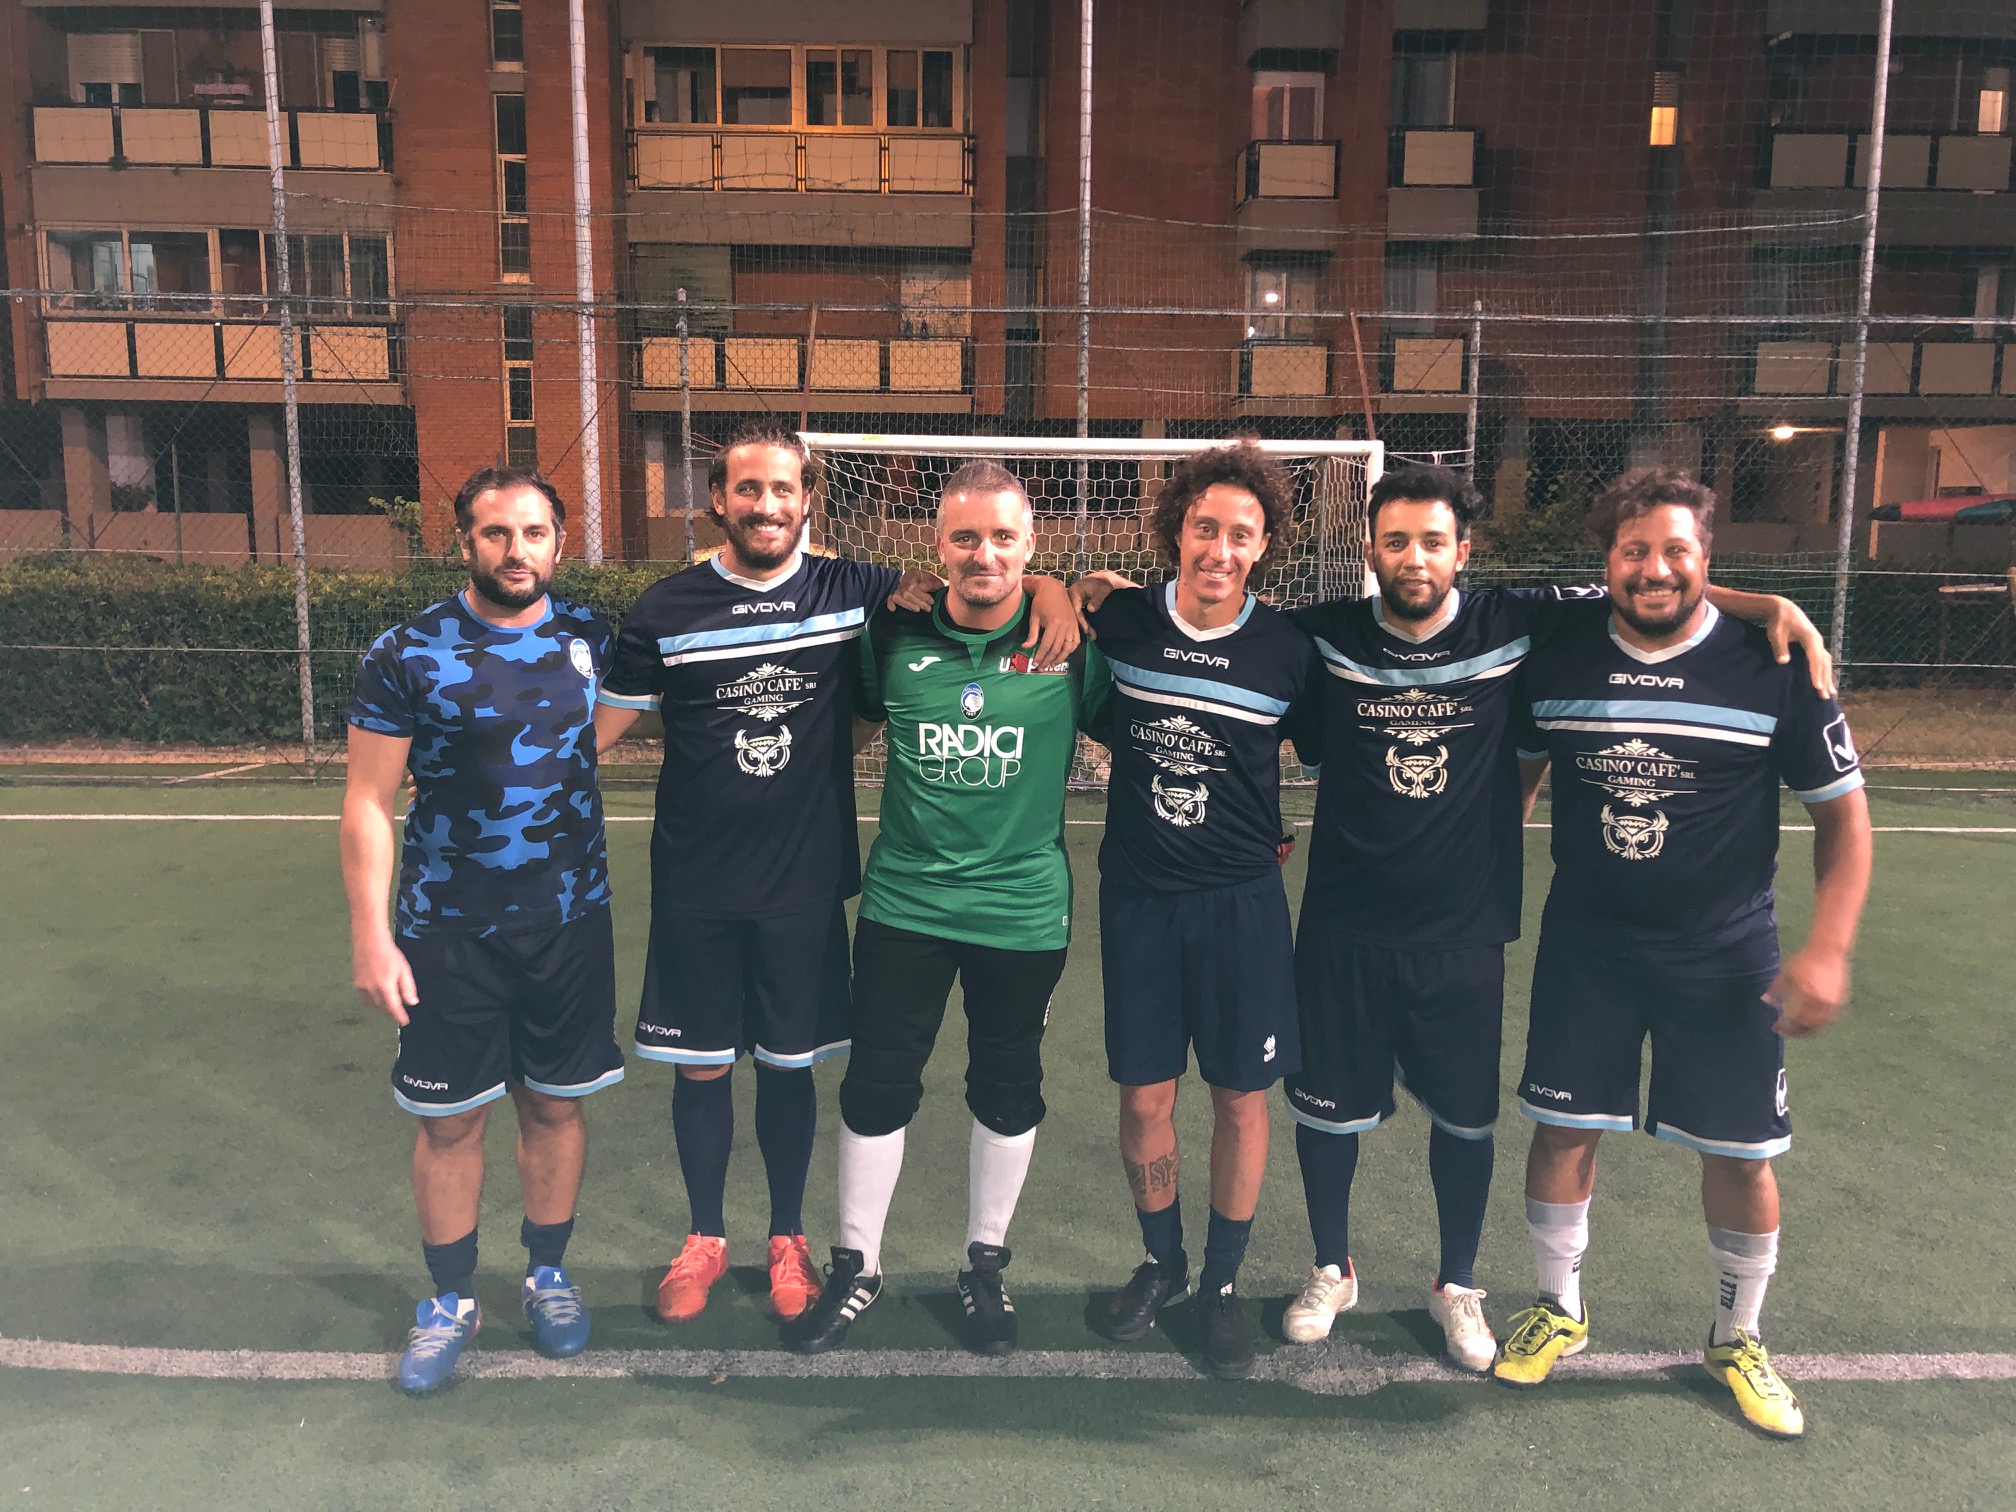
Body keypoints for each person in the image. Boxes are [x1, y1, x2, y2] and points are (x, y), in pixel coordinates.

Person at [1280, 463, 1836, 1373]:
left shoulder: (1516, 620)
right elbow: (1226, 631)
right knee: (1330, 1116)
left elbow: (1650, 583)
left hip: (1467, 928)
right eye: (1395, 541)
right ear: (1370, 551)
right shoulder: (1322, 633)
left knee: (1465, 1120)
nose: (1414, 558)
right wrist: (1087, 593)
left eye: (1433, 541)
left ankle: (1459, 1285)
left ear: (1464, 551)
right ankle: (1331, 1269)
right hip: (1343, 920)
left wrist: (1763, 602)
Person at [595, 421, 1080, 1327]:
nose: (766, 505)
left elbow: (994, 574)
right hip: (698, 882)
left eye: (783, 488)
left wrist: (1056, 588)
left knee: (793, 1068)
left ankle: (791, 1240)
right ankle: (705, 1238)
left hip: (807, 881)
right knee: (703, 1071)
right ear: (717, 499)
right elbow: (595, 731)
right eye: (748, 488)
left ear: (810, 500)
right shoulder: (667, 608)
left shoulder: (854, 590)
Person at [1493, 467, 1871, 1440]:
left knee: (1741, 1153)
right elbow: (1522, 781)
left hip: (1725, 952)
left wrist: (1829, 948)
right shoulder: (1560, 651)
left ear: (1708, 559)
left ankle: (1738, 1336)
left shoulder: (1772, 663)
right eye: (1634, 551)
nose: (1655, 570)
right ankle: (1559, 1308)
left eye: (1676, 551)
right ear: (1605, 561)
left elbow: (1844, 818)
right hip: (1589, 944)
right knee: (1563, 1129)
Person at [785, 460, 1109, 1357]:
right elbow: (847, 722)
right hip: (907, 904)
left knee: (1007, 1086)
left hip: (1021, 911)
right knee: (877, 1084)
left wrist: (1078, 591)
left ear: (1031, 544)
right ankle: (857, 1265)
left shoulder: (1071, 644)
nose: (983, 555)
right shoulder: (891, 632)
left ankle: (984, 1264)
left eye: (1003, 537)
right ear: (937, 546)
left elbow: (1145, 715)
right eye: (965, 537)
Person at [342, 465, 623, 1394]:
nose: (516, 550)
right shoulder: (406, 652)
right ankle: (450, 1299)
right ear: (463, 540)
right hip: (447, 931)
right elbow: (369, 801)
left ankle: (547, 1275)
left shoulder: (592, 640)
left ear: (560, 542)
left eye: (534, 532)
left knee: (555, 1105)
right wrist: (372, 936)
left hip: (569, 921)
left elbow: (597, 732)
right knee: (452, 1121)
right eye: (496, 533)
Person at [1080, 444, 1320, 1379]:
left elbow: (1325, 748)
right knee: (1145, 1097)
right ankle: (1163, 1262)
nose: (1220, 549)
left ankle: (1220, 1283)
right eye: (1205, 528)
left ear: (1264, 547)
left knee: (1239, 1098)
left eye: (1240, 535)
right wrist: (1064, 589)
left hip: (1241, 907)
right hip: (1140, 901)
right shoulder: (1123, 620)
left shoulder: (1288, 652)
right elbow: (1055, 604)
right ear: (1175, 531)